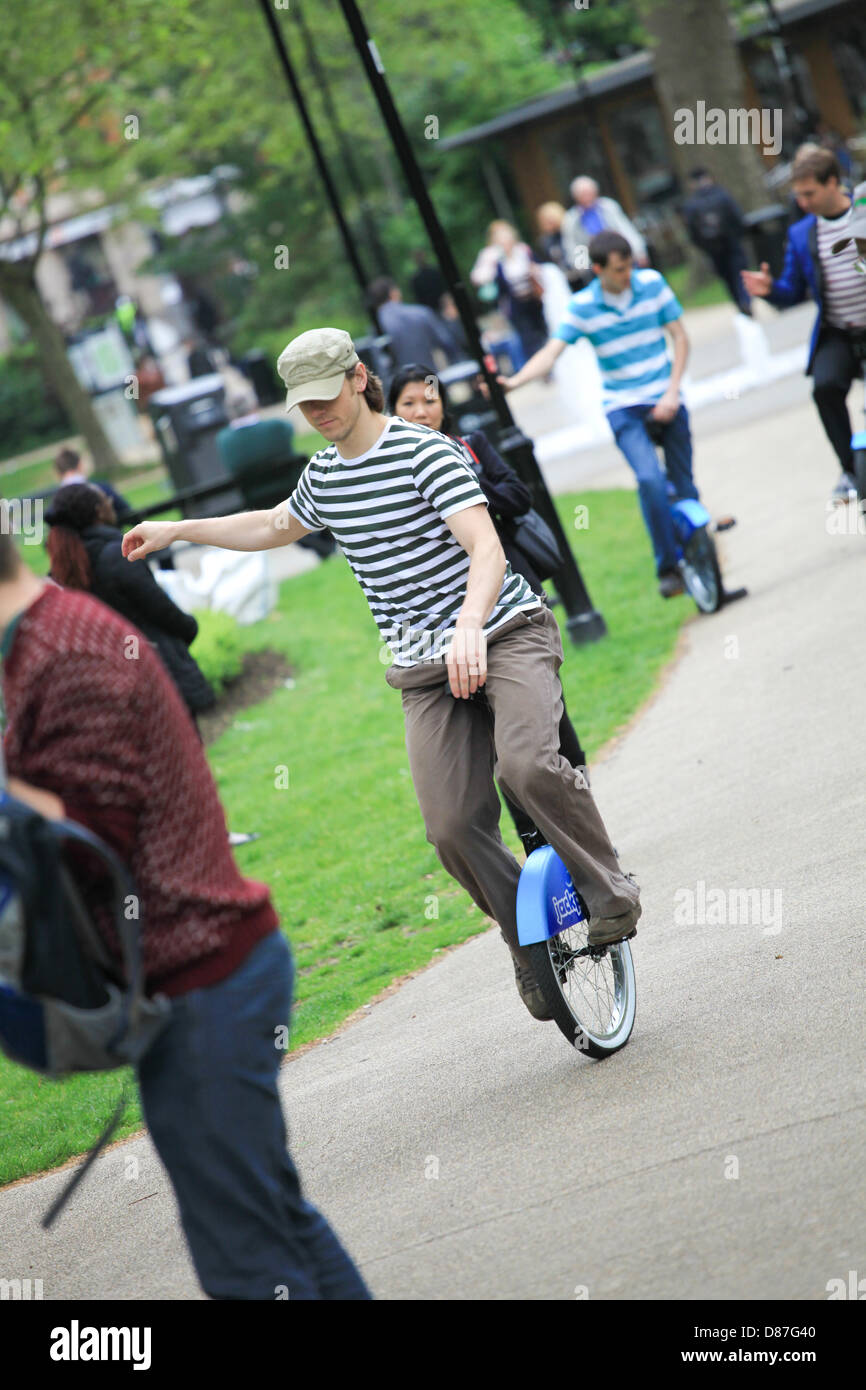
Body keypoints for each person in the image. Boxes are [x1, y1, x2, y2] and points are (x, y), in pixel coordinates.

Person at [122, 327, 640, 1023]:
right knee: (450, 825)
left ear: (360, 376)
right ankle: (528, 941)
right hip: (425, 671)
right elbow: (274, 525)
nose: (318, 413)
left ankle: (610, 893)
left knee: (526, 765)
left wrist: (467, 625)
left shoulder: (426, 452)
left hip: (506, 633)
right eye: (303, 405)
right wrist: (178, 530)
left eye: (326, 396)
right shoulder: (326, 477)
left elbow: (485, 547)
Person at [0, 522, 370, 1300]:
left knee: (246, 1266)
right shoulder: (43, 641)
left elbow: (87, 838)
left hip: (203, 987)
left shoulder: (65, 654)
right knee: (275, 1225)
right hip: (206, 980)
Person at [388, 362, 590, 852]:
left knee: (552, 727)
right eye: (408, 403)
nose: (421, 411)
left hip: (512, 595)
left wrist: (470, 482)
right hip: (447, 622)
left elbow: (519, 496)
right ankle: (537, 846)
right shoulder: (392, 469)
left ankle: (583, 822)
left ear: (444, 404)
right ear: (392, 410)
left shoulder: (471, 444)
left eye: (430, 400)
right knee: (501, 744)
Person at [500, 230, 705, 599]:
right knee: (650, 480)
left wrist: (673, 391)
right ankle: (669, 568)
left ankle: (703, 558)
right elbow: (552, 351)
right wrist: (514, 382)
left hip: (667, 397)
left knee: (686, 486)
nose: (627, 276)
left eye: (629, 267)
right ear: (597, 270)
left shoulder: (652, 284)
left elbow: (681, 337)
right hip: (623, 406)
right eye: (618, 270)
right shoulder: (583, 306)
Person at [742, 147, 866, 504]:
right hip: (839, 331)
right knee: (824, 388)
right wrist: (769, 291)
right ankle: (851, 471)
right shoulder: (801, 233)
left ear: (833, 183)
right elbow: (793, 292)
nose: (803, 201)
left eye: (809, 193)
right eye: (798, 194)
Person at [44, 483, 216, 724]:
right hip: (158, 674)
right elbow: (161, 609)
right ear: (98, 511)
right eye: (106, 499)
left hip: (110, 688)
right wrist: (189, 628)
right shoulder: (118, 555)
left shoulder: (61, 572)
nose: (111, 503)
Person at [470, 221, 549, 369]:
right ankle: (540, 367)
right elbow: (477, 277)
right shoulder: (492, 257)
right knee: (527, 336)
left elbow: (541, 268)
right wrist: (491, 264)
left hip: (533, 299)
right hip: (513, 304)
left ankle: (548, 363)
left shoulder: (523, 250)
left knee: (541, 331)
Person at [681, 168, 752, 316]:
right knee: (739, 274)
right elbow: (738, 218)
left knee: (728, 278)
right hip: (732, 243)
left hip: (713, 250)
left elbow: (691, 232)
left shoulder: (692, 205)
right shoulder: (722, 196)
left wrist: (705, 247)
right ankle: (745, 300)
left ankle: (739, 303)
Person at [560, 177, 649, 284]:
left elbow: (625, 229)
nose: (587, 197)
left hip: (619, 253)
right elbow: (573, 245)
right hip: (595, 264)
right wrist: (584, 267)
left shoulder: (609, 206)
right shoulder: (571, 218)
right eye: (582, 194)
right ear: (576, 197)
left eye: (589, 193)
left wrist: (639, 251)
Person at [367, 277, 460, 370]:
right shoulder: (421, 313)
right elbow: (447, 342)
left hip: (399, 383)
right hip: (429, 377)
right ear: (393, 293)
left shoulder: (376, 329)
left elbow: (381, 365)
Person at [54, 446, 131, 519]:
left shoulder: (54, 503)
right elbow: (128, 512)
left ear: (58, 473)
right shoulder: (102, 489)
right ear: (80, 465)